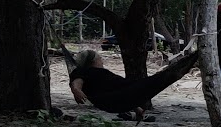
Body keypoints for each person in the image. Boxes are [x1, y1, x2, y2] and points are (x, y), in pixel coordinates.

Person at [69, 47, 198, 121]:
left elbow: (118, 92)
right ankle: (186, 64)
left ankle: (183, 66)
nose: (102, 61)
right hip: (124, 92)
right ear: (93, 61)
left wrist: (137, 108)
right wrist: (76, 90)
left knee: (157, 80)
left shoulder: (99, 74)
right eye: (100, 59)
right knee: (160, 78)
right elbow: (77, 82)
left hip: (125, 91)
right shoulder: (84, 71)